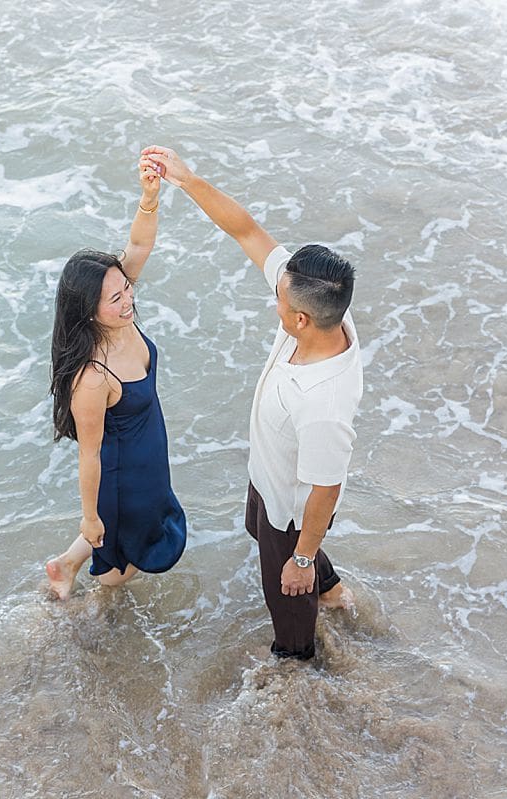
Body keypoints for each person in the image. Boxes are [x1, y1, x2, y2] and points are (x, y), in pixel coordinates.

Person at [141, 145, 358, 659]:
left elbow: (324, 491)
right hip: (270, 476)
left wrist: (301, 559)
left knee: (287, 604)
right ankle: (334, 592)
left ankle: (300, 666)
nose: (274, 299)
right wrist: (186, 180)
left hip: (294, 511)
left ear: (301, 318)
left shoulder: (323, 404)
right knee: (256, 530)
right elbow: (247, 231)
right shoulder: (327, 311)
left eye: (279, 301)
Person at [44, 158, 187, 600]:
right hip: (122, 478)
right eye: (115, 298)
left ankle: (66, 566)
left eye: (126, 289)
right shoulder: (92, 378)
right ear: (89, 309)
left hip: (147, 463)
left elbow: (138, 247)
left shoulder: (119, 311)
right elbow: (90, 456)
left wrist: (149, 197)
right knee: (122, 565)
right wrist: (89, 517)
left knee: (124, 535)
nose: (127, 301)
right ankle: (94, 615)